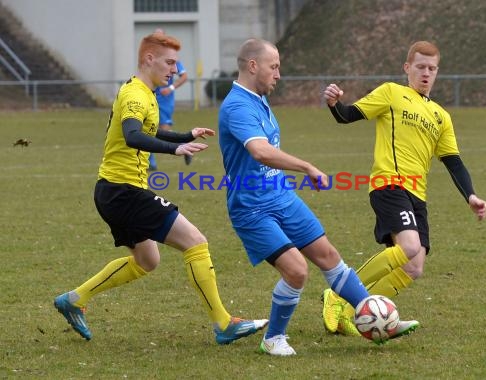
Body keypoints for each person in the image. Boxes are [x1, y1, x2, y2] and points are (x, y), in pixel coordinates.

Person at [54, 31, 268, 344]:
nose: (174, 69)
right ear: (149, 59)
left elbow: (147, 131)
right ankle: (223, 324)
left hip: (113, 191)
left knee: (147, 261)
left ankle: (74, 299)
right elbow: (132, 135)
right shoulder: (136, 95)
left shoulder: (141, 90)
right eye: (169, 62)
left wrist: (184, 136)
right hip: (123, 191)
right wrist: (175, 151)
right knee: (195, 242)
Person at [218, 38, 417, 356]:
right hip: (252, 208)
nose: (279, 74)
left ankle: (377, 316)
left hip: (281, 197)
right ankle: (273, 338)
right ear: (252, 66)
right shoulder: (238, 105)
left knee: (328, 255)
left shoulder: (257, 98)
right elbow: (259, 151)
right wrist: (306, 166)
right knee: (297, 270)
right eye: (274, 67)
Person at [321, 41, 486, 336]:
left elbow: (453, 161)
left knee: (414, 267)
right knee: (409, 247)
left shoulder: (441, 116)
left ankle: (356, 313)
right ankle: (337, 294)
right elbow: (348, 115)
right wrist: (334, 103)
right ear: (407, 68)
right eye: (421, 67)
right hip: (389, 183)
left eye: (432, 68)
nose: (426, 73)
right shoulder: (391, 93)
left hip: (417, 195)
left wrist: (471, 195)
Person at [149, 29, 190, 170]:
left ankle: (183, 145)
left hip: (164, 99)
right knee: (146, 128)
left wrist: (171, 88)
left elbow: (184, 76)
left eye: (160, 37)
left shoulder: (172, 57)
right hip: (150, 96)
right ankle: (150, 162)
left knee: (163, 131)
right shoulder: (151, 56)